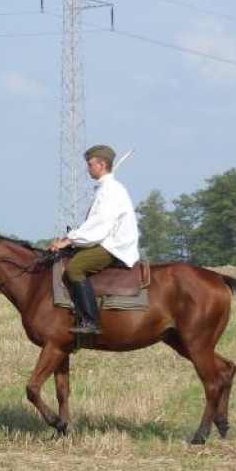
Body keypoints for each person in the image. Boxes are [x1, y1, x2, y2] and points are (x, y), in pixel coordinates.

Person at [49, 144, 140, 343]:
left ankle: (91, 321)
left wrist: (69, 240)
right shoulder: (105, 189)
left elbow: (99, 226)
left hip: (113, 246)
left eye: (89, 164)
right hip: (106, 241)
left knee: (75, 268)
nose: (87, 168)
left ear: (101, 164)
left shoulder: (111, 191)